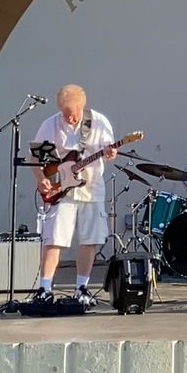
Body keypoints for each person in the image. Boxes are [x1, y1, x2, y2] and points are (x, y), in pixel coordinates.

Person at [31, 84, 117, 306]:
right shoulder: (50, 125)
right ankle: (45, 288)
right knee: (53, 239)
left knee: (89, 240)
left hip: (91, 189)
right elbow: (34, 158)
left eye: (74, 115)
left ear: (83, 107)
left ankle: (81, 287)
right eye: (65, 114)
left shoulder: (99, 122)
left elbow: (109, 151)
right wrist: (41, 179)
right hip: (62, 191)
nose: (70, 119)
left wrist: (110, 152)